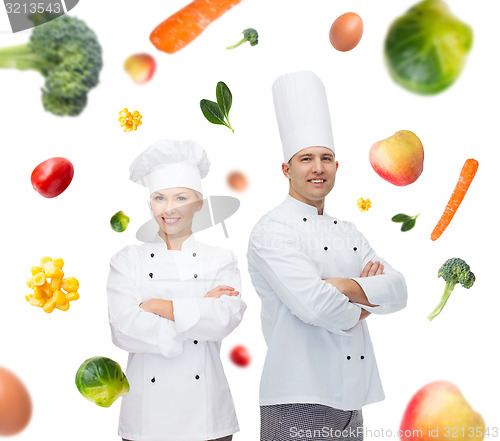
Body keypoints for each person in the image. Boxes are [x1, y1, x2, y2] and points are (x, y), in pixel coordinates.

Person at [247, 71, 408, 441]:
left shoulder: (348, 230)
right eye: (306, 159)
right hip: (296, 396)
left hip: (354, 396)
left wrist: (341, 285)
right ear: (286, 170)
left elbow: (398, 289)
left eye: (326, 158)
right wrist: (368, 299)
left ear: (336, 167)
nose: (317, 168)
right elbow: (316, 308)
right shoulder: (271, 230)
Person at [107, 139, 246, 441]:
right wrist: (198, 308)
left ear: (199, 203)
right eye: (159, 198)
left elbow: (225, 320)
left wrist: (157, 306)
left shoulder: (219, 258)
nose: (169, 209)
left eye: (181, 197)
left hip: (208, 418)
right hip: (146, 420)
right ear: (150, 204)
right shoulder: (127, 260)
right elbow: (123, 329)